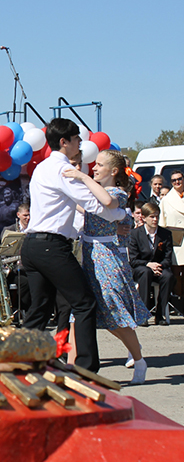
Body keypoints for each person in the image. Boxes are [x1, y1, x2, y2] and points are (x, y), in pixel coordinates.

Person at [20, 118, 126, 373]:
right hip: (51, 247)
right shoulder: (62, 170)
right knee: (84, 302)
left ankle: (23, 359)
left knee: (41, 307)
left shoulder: (42, 168)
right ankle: (86, 367)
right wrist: (121, 215)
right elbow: (95, 204)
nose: (80, 143)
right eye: (77, 138)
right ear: (64, 142)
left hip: (32, 246)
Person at [63, 149, 148, 384]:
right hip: (88, 253)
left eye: (100, 165)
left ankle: (139, 360)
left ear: (113, 171)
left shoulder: (117, 192)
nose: (95, 168)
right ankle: (72, 368)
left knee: (113, 312)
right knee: (78, 313)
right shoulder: (95, 190)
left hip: (106, 257)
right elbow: (85, 206)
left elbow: (108, 202)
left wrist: (83, 178)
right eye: (95, 165)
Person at [129, 202, 174, 326]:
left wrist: (158, 266)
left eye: (157, 216)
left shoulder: (165, 234)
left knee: (168, 276)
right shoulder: (135, 234)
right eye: (152, 217)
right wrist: (149, 264)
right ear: (143, 217)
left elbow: (167, 258)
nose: (155, 219)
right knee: (145, 272)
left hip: (159, 267)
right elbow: (133, 260)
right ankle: (143, 314)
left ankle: (160, 314)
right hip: (141, 268)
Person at [159, 169, 184, 299]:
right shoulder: (166, 200)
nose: (177, 182)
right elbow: (162, 223)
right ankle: (179, 299)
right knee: (177, 272)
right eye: (174, 180)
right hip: (176, 239)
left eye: (179, 179)